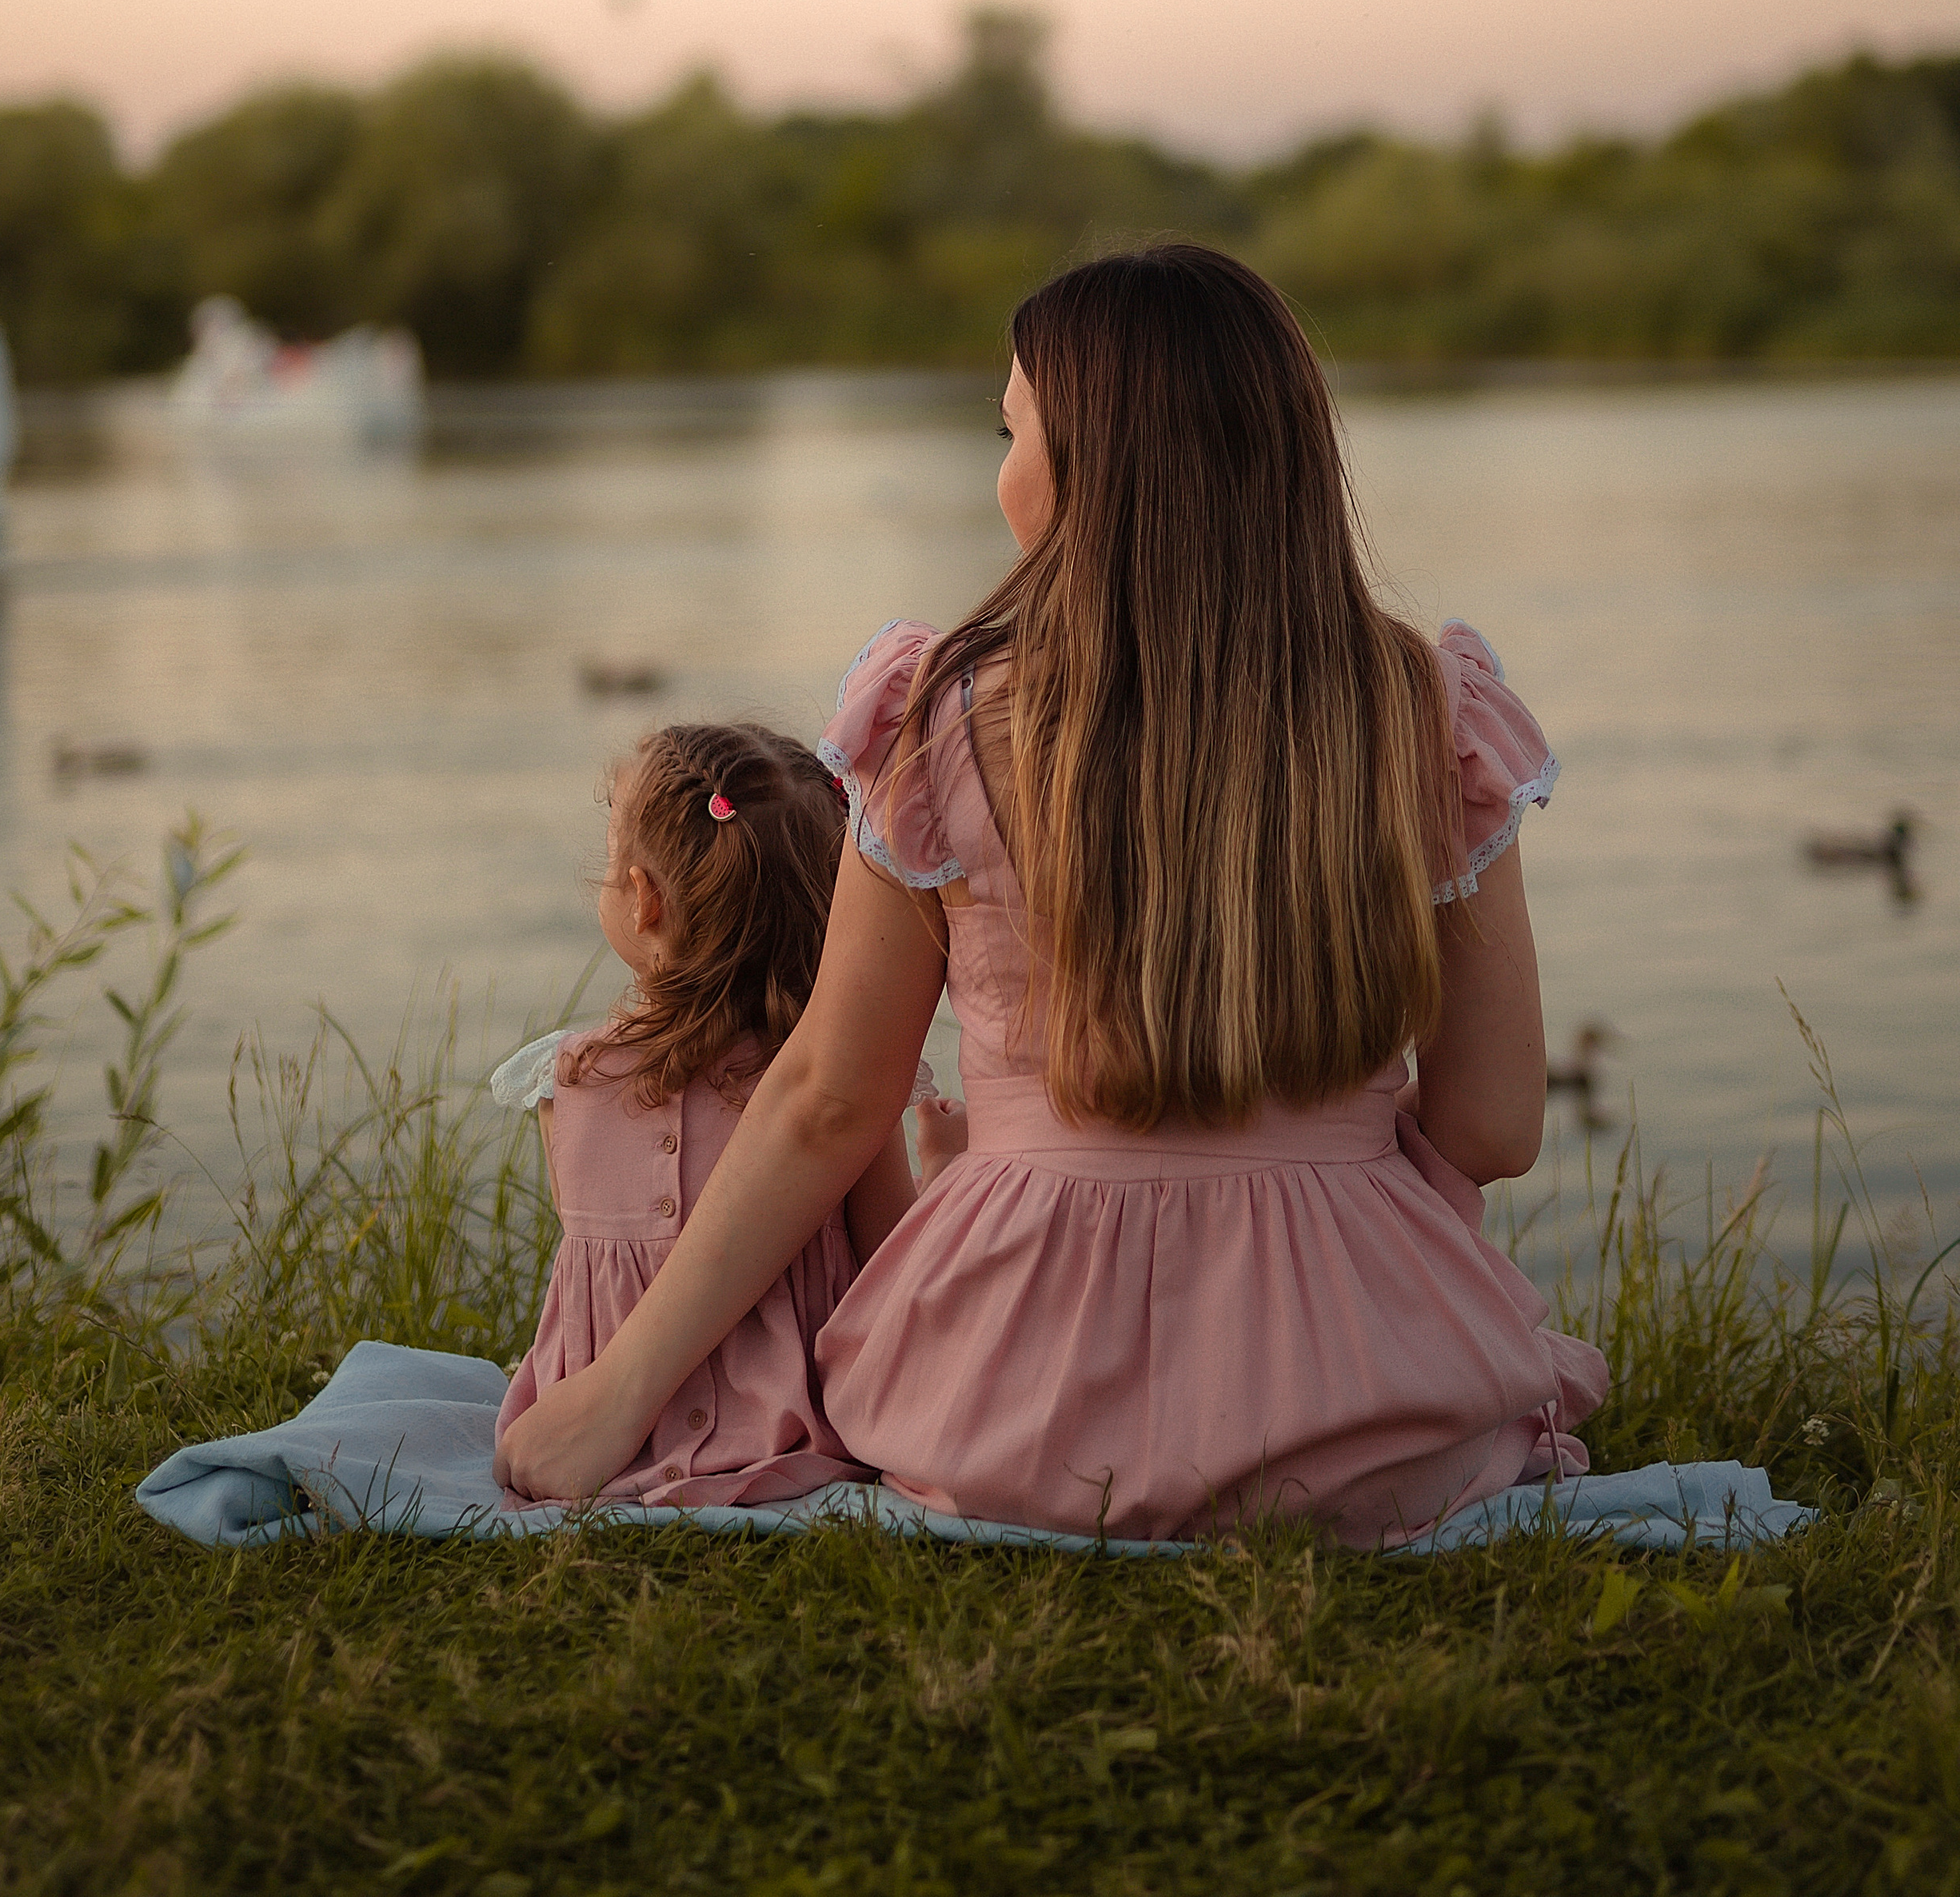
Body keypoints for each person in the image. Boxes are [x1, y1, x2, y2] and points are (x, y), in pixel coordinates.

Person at [495, 250, 1607, 1542]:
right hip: (1375, 1434)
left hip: (1007, 1427)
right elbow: (1492, 1126)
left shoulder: (945, 720)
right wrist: (1313, 1166)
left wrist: (618, 1392)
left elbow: (828, 1100)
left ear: (1086, 467)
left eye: (1010, 428)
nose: (1003, 465)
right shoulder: (1426, 715)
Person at [491, 719, 962, 1508]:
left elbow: (585, 1286)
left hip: (598, 1440)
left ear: (643, 901)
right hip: (804, 1437)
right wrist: (946, 1173)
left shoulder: (565, 1079)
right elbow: (893, 1279)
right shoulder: (839, 1087)